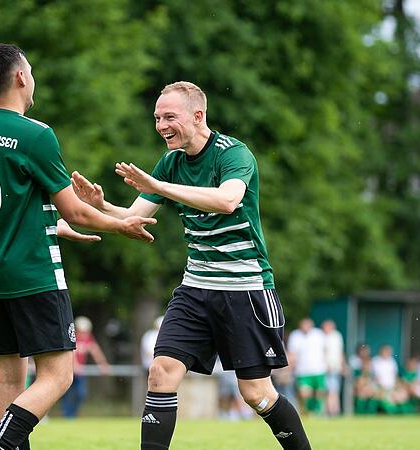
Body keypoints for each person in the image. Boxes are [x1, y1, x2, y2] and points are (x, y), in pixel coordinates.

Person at [72, 81, 310, 449]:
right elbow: (136, 216)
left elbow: (228, 200)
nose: (161, 125)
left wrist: (161, 186)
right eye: (156, 117)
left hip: (244, 288)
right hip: (196, 288)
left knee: (256, 394)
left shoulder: (233, 154)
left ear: (198, 116)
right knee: (161, 373)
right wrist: (100, 205)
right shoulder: (171, 163)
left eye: (170, 117)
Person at [0, 43, 156, 450]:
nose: (32, 77)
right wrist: (123, 225)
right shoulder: (36, 135)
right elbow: (78, 211)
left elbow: (6, 210)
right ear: (19, 77)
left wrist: (54, 226)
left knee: (10, 379)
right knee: (58, 375)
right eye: (29, 69)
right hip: (33, 271)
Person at [61, 316, 111, 418]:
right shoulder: (72, 337)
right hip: (68, 371)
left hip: (79, 373)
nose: (84, 334)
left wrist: (102, 364)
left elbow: (95, 350)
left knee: (81, 394)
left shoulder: (88, 338)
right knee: (66, 394)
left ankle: (73, 415)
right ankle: (67, 415)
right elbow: (71, 353)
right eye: (82, 331)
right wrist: (75, 365)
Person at [287, 318, 328, 415]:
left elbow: (325, 350)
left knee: (319, 393)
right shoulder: (295, 336)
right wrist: (290, 367)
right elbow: (292, 353)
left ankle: (318, 412)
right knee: (304, 393)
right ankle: (306, 411)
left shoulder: (318, 335)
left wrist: (327, 363)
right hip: (302, 371)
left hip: (318, 369)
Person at [321, 319, 344, 416]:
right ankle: (329, 412)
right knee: (327, 391)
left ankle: (334, 411)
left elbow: (340, 352)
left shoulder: (337, 336)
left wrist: (343, 365)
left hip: (336, 368)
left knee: (334, 391)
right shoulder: (321, 337)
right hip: (325, 369)